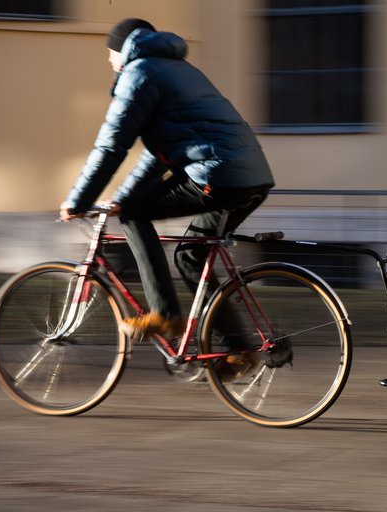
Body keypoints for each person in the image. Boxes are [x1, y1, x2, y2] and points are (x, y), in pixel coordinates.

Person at [60, 18, 274, 340]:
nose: (108, 60)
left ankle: (164, 314)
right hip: (252, 176)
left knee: (135, 214)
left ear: (123, 47)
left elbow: (111, 145)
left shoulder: (139, 73)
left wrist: (78, 201)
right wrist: (120, 197)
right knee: (190, 255)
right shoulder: (178, 70)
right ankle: (236, 349)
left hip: (218, 175)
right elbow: (157, 154)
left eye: (109, 52)